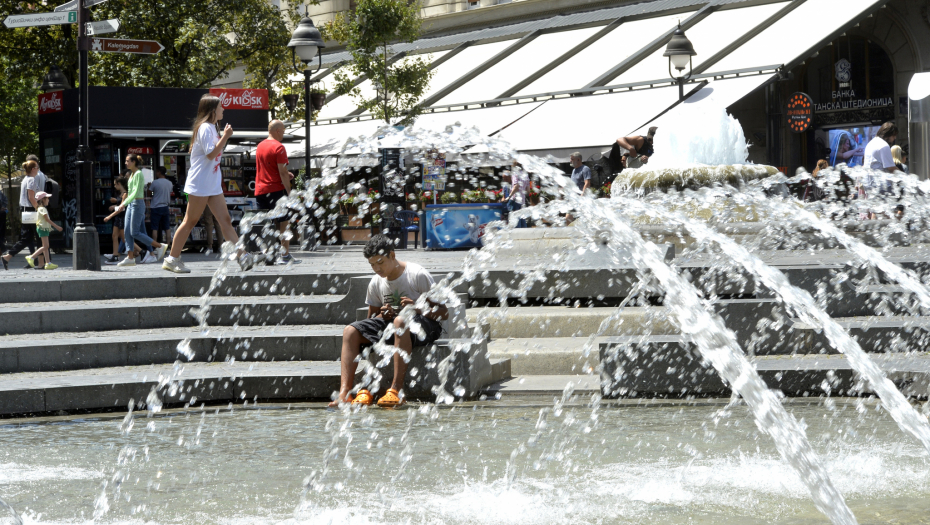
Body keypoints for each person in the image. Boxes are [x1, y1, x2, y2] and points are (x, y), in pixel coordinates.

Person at [329, 234, 447, 408]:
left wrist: (417, 308)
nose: (377, 268)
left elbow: (444, 313)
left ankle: (395, 390)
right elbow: (370, 320)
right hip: (395, 327)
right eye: (372, 265)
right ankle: (344, 393)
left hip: (426, 327)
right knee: (350, 331)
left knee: (400, 321)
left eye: (380, 262)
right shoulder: (376, 282)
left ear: (392, 255)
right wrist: (382, 316)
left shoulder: (417, 274)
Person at [163, 94, 252, 274]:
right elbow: (211, 154)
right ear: (212, 110)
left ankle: (242, 256)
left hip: (210, 183)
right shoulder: (205, 128)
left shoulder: (211, 128)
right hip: (200, 183)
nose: (223, 109)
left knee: (225, 220)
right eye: (221, 107)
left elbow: (212, 156)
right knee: (190, 221)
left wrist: (223, 136)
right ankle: (172, 259)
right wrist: (226, 137)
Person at [113, 154, 167, 266]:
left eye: (127, 161)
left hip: (137, 204)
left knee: (135, 232)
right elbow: (131, 191)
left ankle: (159, 246)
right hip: (131, 203)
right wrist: (126, 203)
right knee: (127, 231)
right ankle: (130, 257)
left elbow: (135, 192)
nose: (125, 163)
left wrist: (123, 204)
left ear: (133, 162)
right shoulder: (132, 174)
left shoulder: (138, 174)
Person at [255, 120, 295, 264]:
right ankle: (284, 255)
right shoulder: (279, 147)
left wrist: (284, 173)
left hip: (260, 190)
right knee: (284, 222)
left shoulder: (260, 146)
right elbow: (282, 171)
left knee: (267, 223)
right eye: (283, 131)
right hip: (276, 190)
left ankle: (268, 254)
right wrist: (289, 192)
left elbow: (268, 168)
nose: (283, 134)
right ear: (277, 131)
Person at [2, 160, 43, 270]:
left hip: (25, 212)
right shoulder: (31, 180)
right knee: (40, 236)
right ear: (33, 169)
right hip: (32, 211)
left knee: (26, 238)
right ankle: (41, 262)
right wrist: (39, 209)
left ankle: (8, 256)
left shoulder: (25, 179)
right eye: (37, 168)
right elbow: (31, 197)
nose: (38, 170)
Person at [25, 191, 63, 270]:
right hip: (43, 228)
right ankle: (31, 257)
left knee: (45, 246)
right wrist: (57, 227)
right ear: (43, 200)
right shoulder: (43, 209)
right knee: (46, 246)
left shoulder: (40, 208)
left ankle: (48, 263)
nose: (48, 200)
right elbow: (47, 219)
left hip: (42, 228)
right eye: (47, 198)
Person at [501, 160, 528, 228]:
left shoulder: (515, 174)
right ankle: (525, 237)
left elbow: (516, 186)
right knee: (522, 219)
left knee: (515, 220)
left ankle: (517, 237)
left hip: (515, 200)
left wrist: (509, 196)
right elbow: (528, 191)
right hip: (522, 201)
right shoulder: (526, 175)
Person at [150, 167, 173, 245]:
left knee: (154, 228)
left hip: (155, 206)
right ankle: (168, 245)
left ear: (159, 172)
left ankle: (155, 246)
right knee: (167, 227)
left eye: (156, 172)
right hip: (165, 206)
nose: (156, 173)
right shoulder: (169, 183)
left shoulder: (155, 182)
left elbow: (149, 193)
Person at [0, 186, 7, 253]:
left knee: (2, 232)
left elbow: (5, 199)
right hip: (2, 213)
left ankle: (3, 248)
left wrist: (3, 207)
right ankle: (3, 248)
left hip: (1, 213)